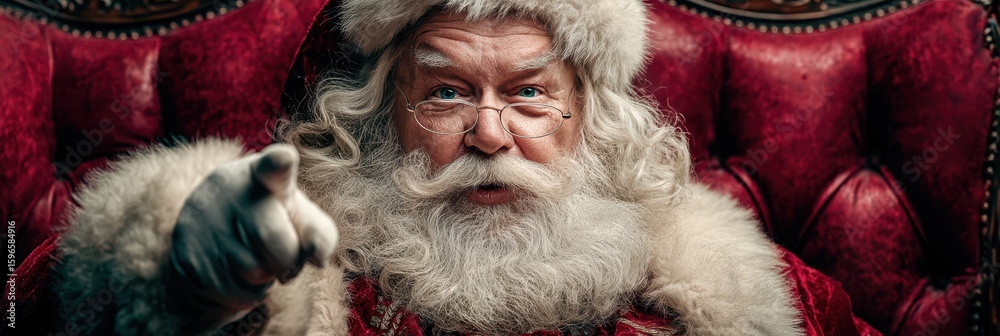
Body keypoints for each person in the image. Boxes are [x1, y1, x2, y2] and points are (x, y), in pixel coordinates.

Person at [24, 0, 878, 335]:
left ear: (592, 118)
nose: (489, 135)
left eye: (531, 93)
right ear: (378, 119)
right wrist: (181, 272)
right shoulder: (297, 281)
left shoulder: (743, 295)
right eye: (445, 93)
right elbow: (45, 300)